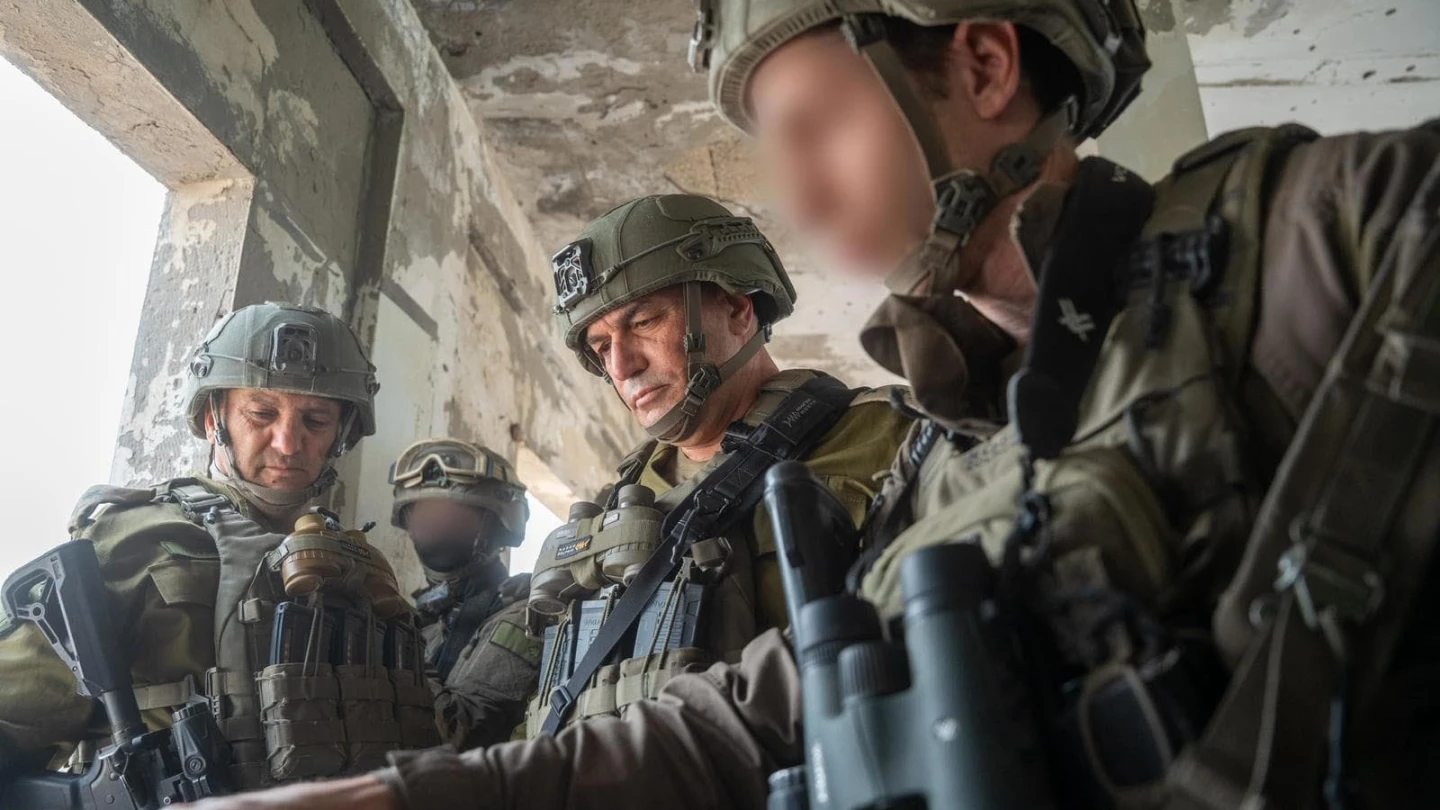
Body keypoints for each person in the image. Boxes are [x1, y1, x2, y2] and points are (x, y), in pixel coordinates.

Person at [187, 0, 1440, 807]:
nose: (804, 195)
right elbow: (760, 709)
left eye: (820, 126)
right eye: (600, 345)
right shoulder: (969, 452)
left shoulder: (1317, 233)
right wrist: (403, 789)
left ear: (986, 62)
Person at [0, 302, 440, 793]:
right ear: (214, 418)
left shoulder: (359, 566)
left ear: (340, 436)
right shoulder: (134, 537)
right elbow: (13, 715)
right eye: (261, 413)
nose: (288, 442)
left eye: (315, 420)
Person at [390, 438, 538, 749]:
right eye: (422, 516)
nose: (433, 526)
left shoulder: (523, 616)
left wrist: (389, 634)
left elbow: (458, 737)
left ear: (498, 524)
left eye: (451, 515)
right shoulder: (424, 618)